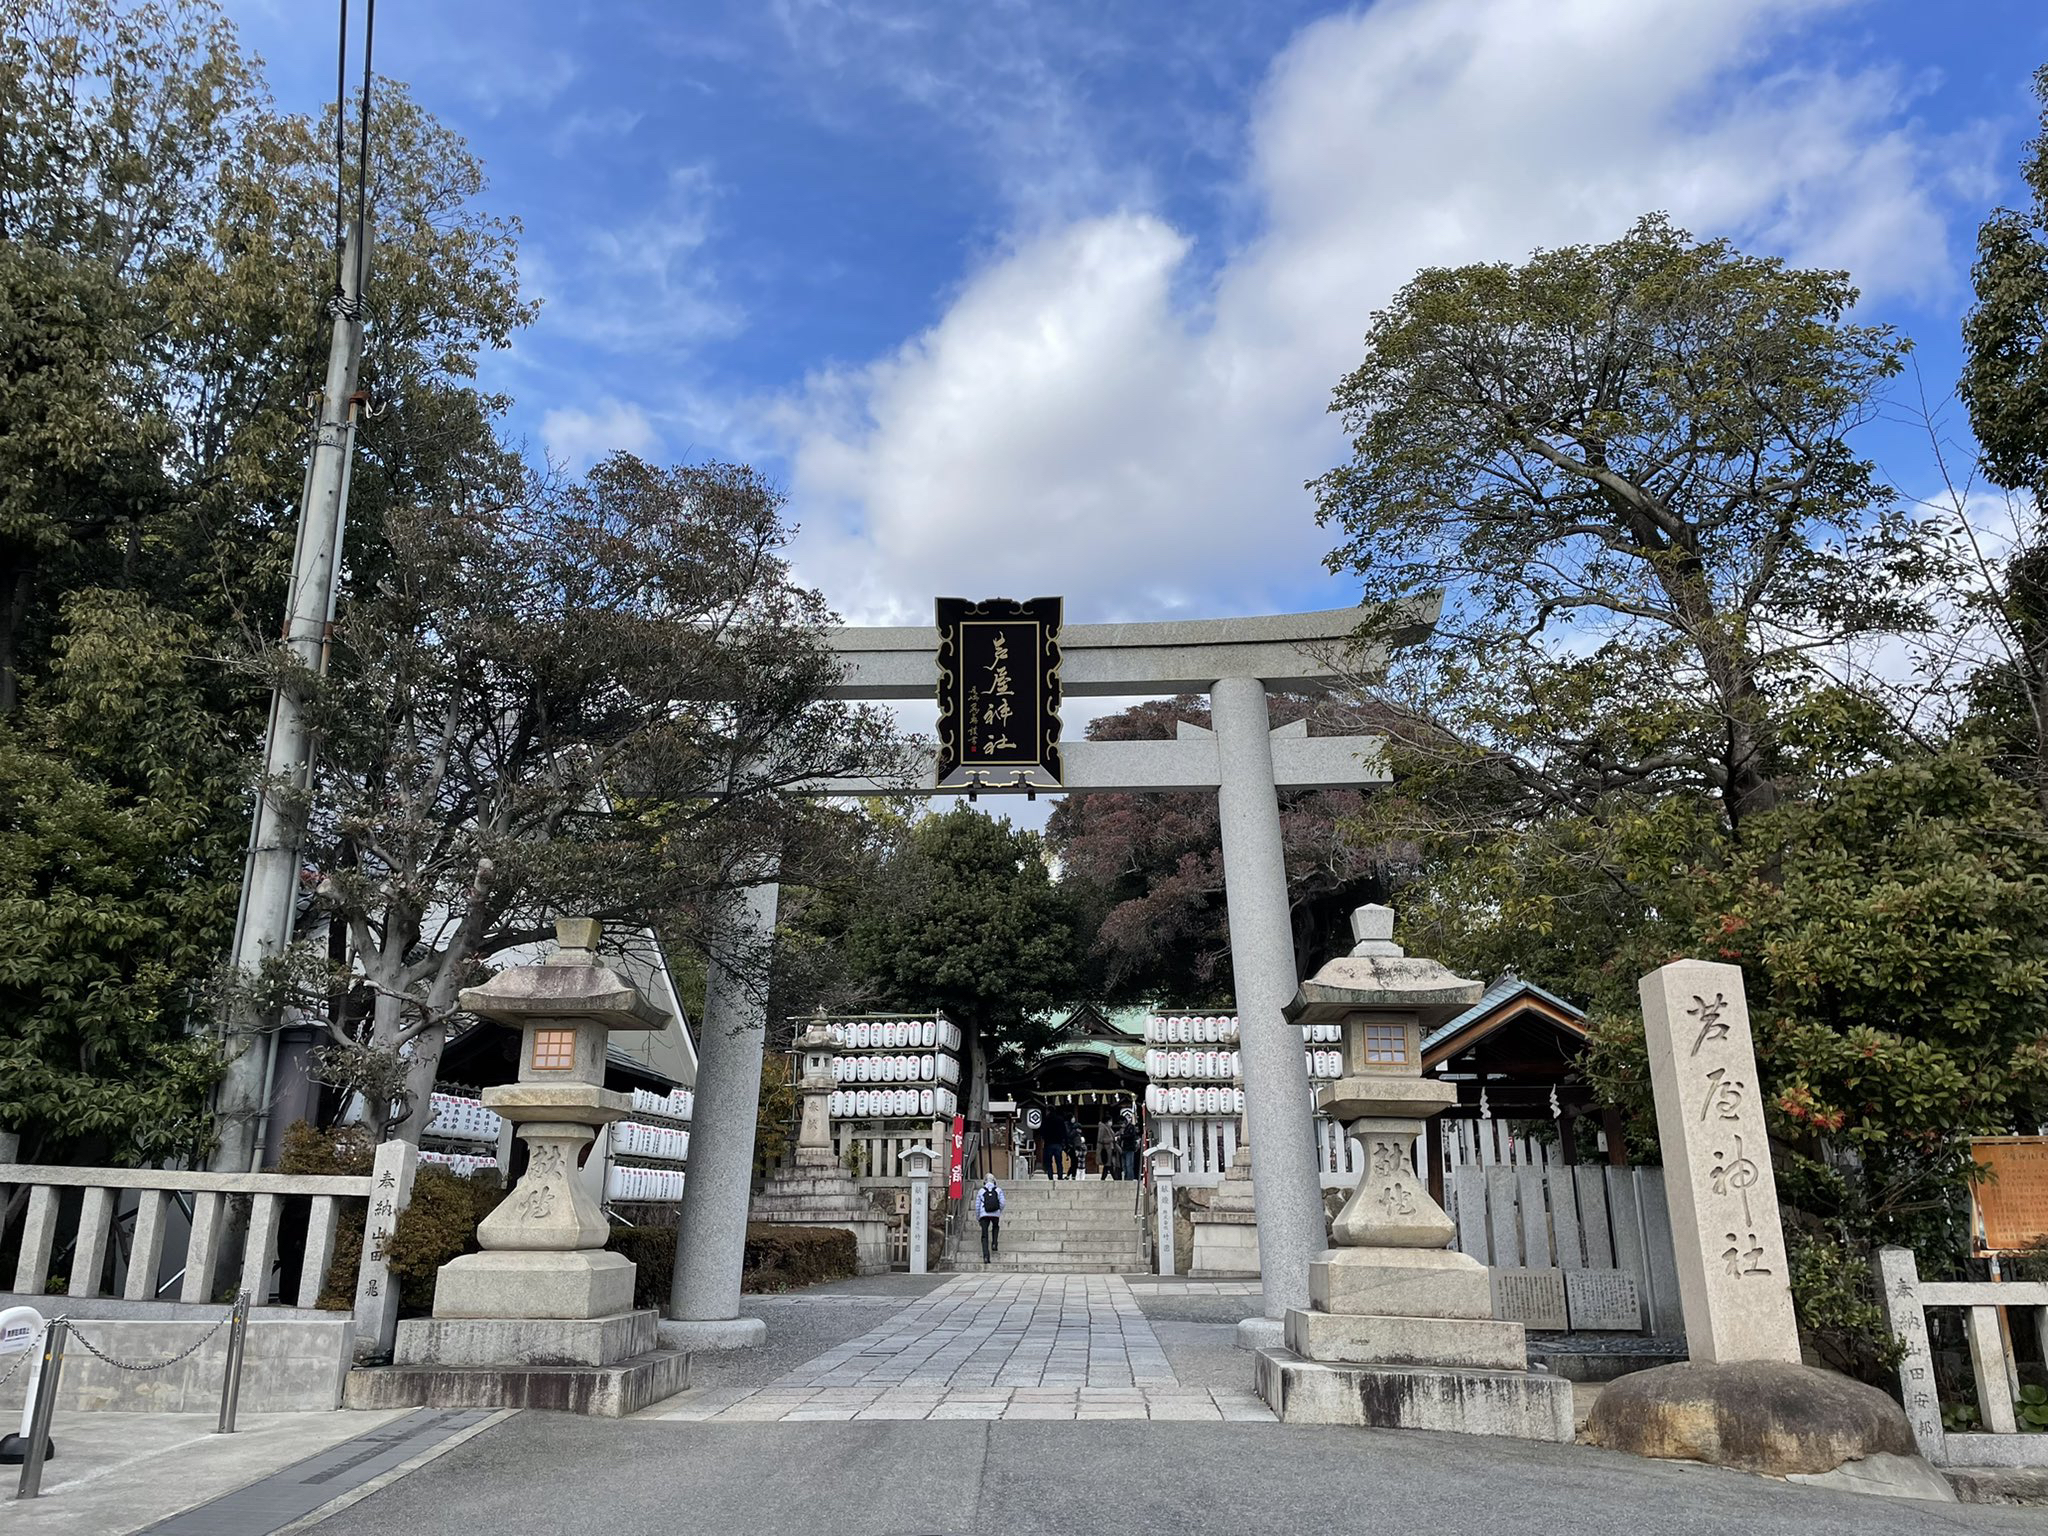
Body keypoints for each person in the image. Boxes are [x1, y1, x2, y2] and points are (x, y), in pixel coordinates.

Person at [976, 1174, 1005, 1263]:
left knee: (984, 1235)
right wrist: (998, 1210)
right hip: (995, 1214)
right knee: (995, 1226)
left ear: (985, 1181)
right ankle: (994, 1243)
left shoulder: (981, 1191)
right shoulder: (998, 1190)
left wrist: (978, 1216)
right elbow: (1003, 1203)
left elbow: (977, 1205)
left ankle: (986, 1256)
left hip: (984, 1214)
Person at [1118, 1117, 1140, 1182]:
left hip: (1129, 1148)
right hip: (1123, 1148)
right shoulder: (1122, 1129)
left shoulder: (1131, 1127)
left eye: (1122, 1123)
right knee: (1124, 1166)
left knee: (1129, 1164)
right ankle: (1126, 1177)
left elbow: (1130, 1136)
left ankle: (1129, 1178)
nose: (1121, 1125)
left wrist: (1121, 1137)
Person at [1096, 1116, 1117, 1180]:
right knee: (1109, 1164)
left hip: (1110, 1148)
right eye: (1110, 1121)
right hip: (1105, 1149)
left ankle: (1103, 1178)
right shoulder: (1103, 1128)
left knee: (1108, 1164)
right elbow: (1100, 1139)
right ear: (1107, 1122)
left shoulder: (1108, 1128)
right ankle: (1115, 1178)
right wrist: (1111, 1139)